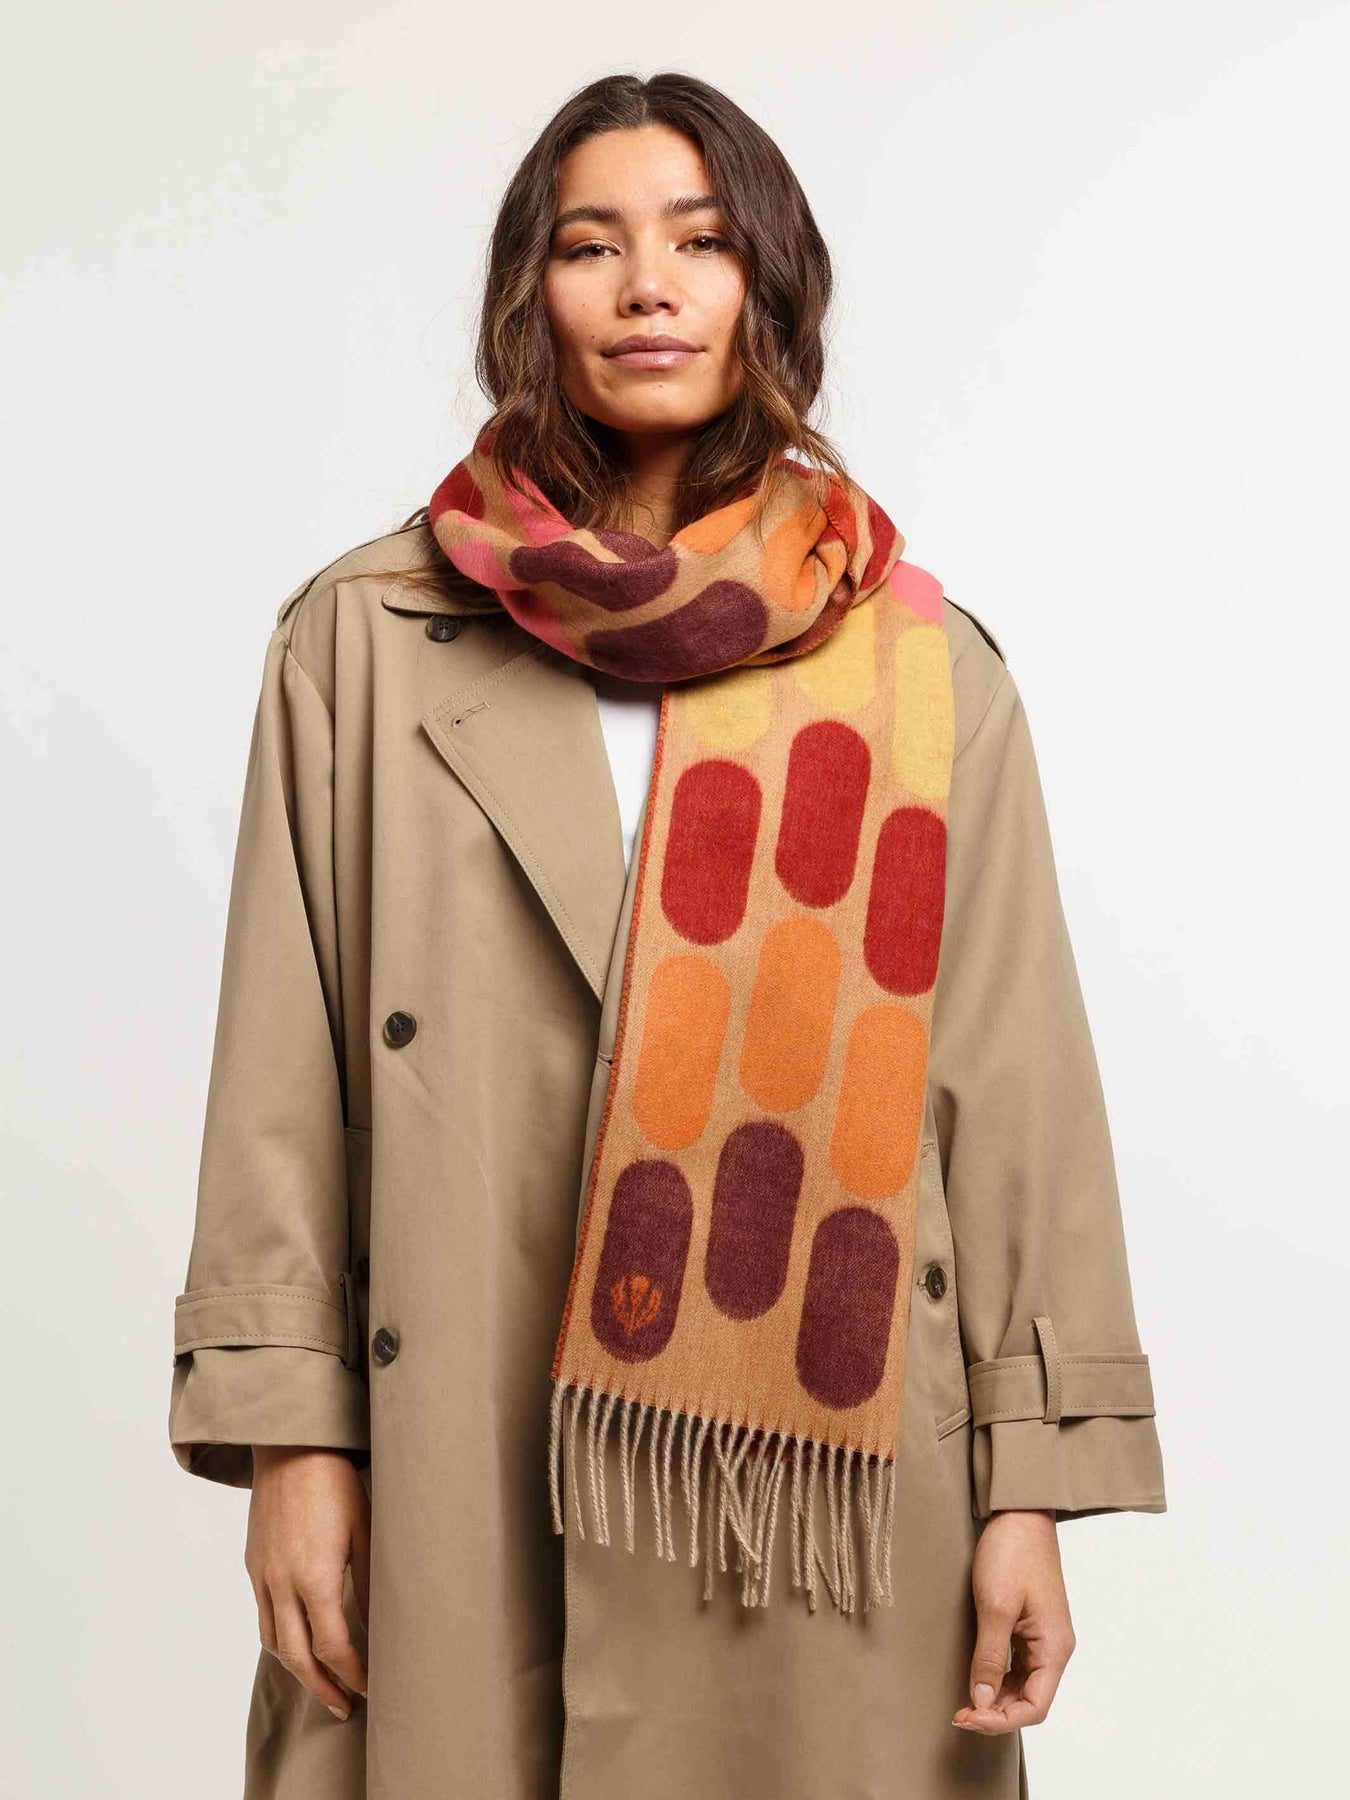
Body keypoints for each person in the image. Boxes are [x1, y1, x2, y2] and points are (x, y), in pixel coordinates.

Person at [168, 70, 1165, 1800]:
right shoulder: (367, 637)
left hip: (825, 1484)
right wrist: (291, 1443)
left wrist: (1028, 1492)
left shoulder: (918, 665)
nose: (647, 287)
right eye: (591, 245)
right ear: (530, 296)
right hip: (455, 1428)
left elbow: (1007, 1090)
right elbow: (285, 1059)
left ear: (766, 284)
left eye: (699, 243)